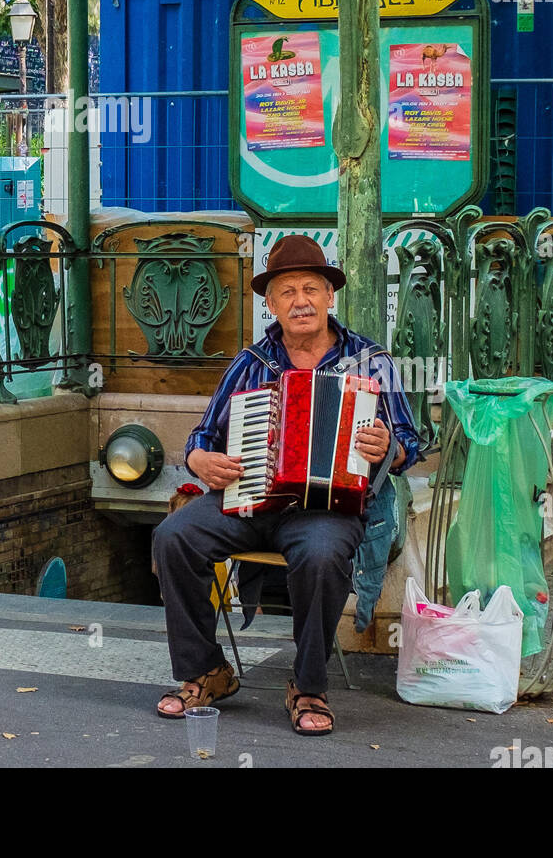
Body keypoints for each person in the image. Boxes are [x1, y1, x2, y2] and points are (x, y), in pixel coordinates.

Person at [151, 235, 421, 736]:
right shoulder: (252, 362)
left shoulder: (370, 362)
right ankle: (206, 671)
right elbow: (202, 437)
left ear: (329, 296)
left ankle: (308, 685)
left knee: (320, 555)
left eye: (311, 289)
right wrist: (200, 460)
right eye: (288, 292)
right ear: (270, 303)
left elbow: (410, 442)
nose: (301, 301)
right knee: (173, 537)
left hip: (328, 509)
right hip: (251, 501)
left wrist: (389, 447)